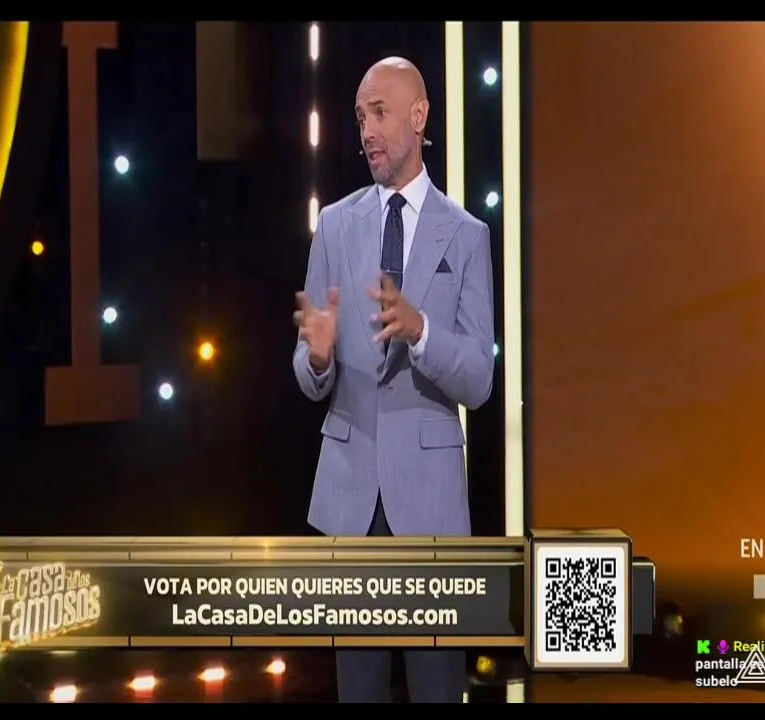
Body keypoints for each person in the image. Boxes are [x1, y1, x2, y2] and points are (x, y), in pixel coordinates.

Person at [291, 56, 495, 703]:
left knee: (437, 690)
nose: (367, 131)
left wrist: (422, 331)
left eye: (379, 113)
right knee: (358, 691)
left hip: (431, 507)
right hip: (349, 502)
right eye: (360, 118)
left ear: (419, 114)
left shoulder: (466, 236)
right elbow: (306, 369)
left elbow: (479, 380)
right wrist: (317, 358)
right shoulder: (336, 226)